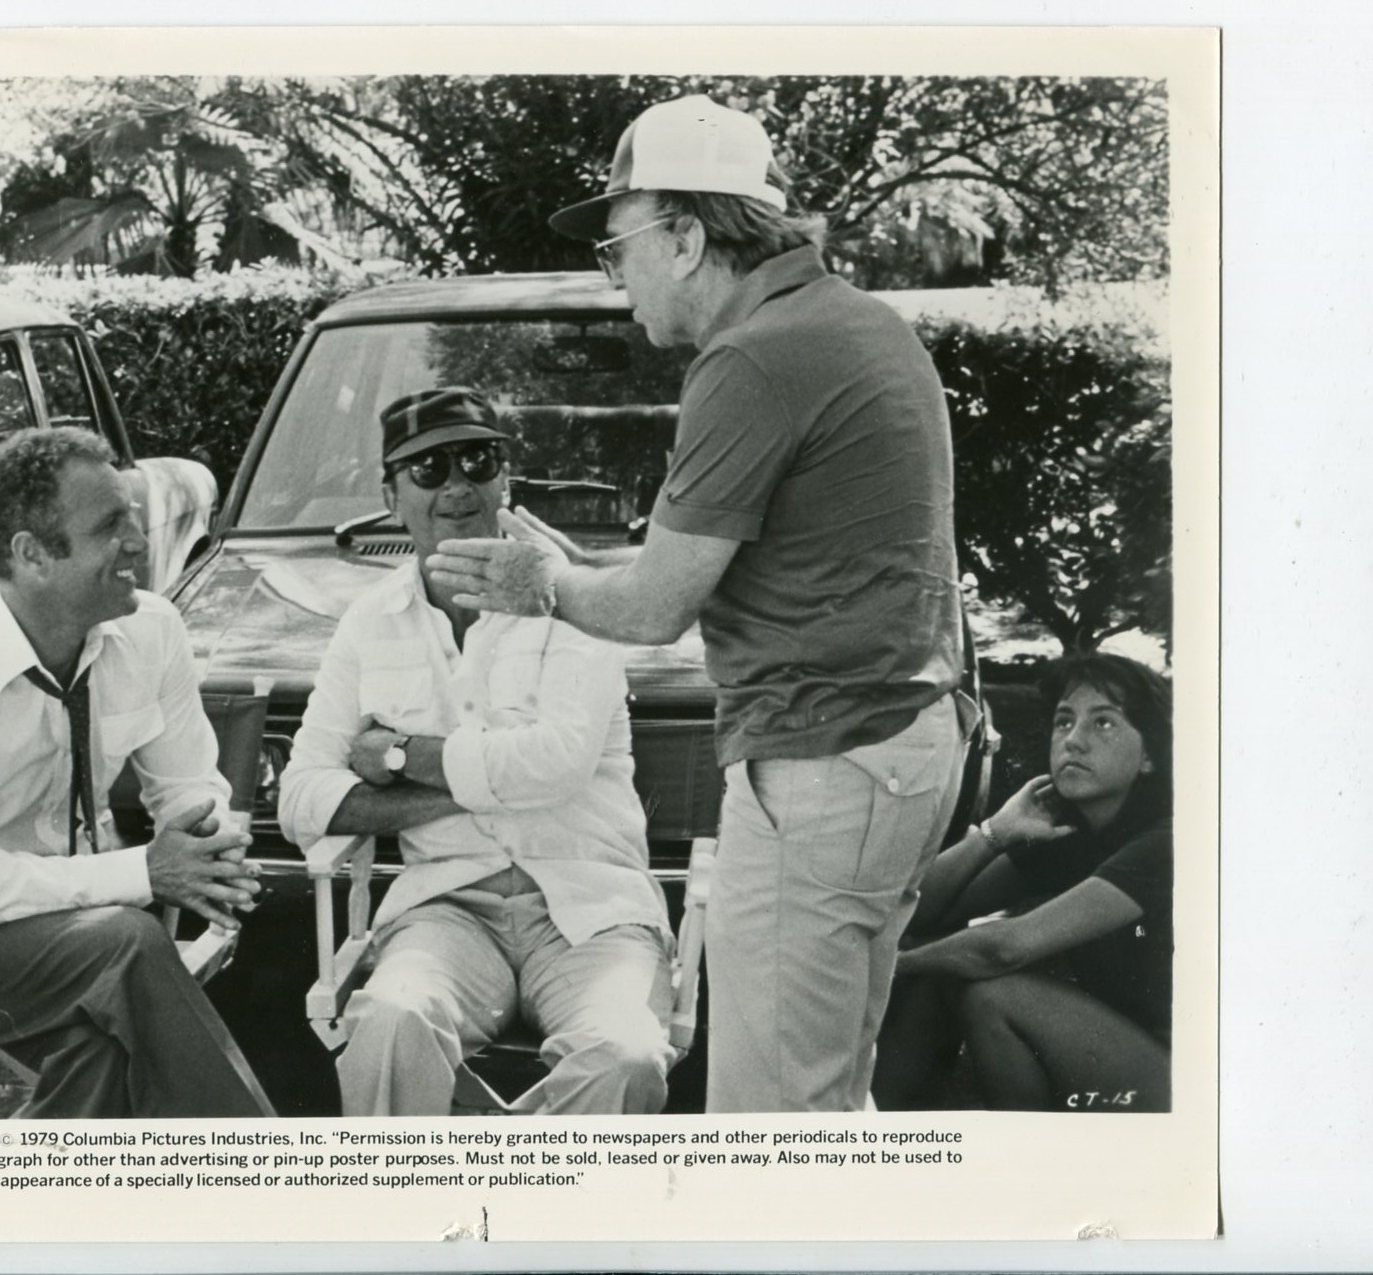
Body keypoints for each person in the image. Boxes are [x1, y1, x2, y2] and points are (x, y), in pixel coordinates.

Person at [426, 94, 970, 1111]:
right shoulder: (855, 322)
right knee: (829, 1100)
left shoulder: (753, 355)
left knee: (766, 1122)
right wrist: (581, 572)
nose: (615, 278)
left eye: (617, 247)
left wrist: (537, 583)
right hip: (897, 749)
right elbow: (759, 555)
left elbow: (652, 609)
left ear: (683, 239)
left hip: (824, 759)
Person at [0, 427, 270, 1118]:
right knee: (128, 946)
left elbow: (188, 782)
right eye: (110, 525)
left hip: (72, 937)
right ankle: (255, 1161)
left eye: (133, 517)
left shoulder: (152, 631)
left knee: (103, 1042)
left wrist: (205, 840)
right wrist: (146, 871)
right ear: (32, 553)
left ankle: (47, 1183)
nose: (139, 541)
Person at [278, 388, 676, 1117]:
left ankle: (499, 1178)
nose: (457, 485)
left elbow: (558, 762)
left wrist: (399, 756)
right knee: (390, 1023)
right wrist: (478, 781)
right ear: (391, 496)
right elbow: (300, 798)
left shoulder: (573, 598)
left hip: (591, 909)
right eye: (428, 468)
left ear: (505, 479)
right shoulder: (368, 622)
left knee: (624, 1055)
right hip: (445, 910)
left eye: (478, 460)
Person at [874, 654, 1174, 1112]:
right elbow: (918, 911)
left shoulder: (1166, 842)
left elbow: (1005, 948)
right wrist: (996, 832)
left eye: (1104, 723)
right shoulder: (1069, 835)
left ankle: (1025, 1151)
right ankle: (886, 1122)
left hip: (1186, 1076)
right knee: (943, 960)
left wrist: (890, 966)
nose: (1074, 740)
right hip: (1108, 1039)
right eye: (1064, 721)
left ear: (1149, 756)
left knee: (992, 995)